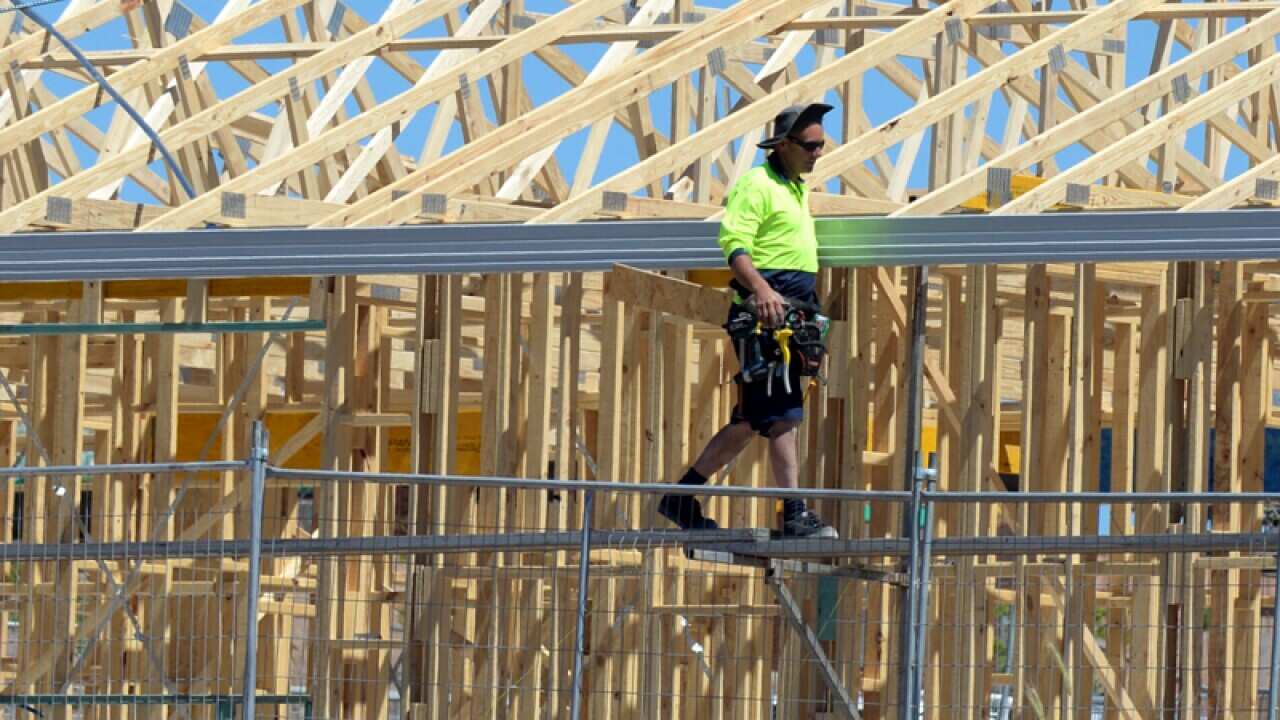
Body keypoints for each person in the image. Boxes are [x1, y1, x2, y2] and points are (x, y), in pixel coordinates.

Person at [658, 102, 838, 539]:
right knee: (783, 416)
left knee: (750, 421)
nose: (818, 153)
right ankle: (794, 512)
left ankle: (679, 498)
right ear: (783, 145)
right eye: (811, 146)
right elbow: (734, 244)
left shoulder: (793, 188)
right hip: (768, 315)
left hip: (789, 312)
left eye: (822, 146)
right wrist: (761, 290)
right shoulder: (756, 186)